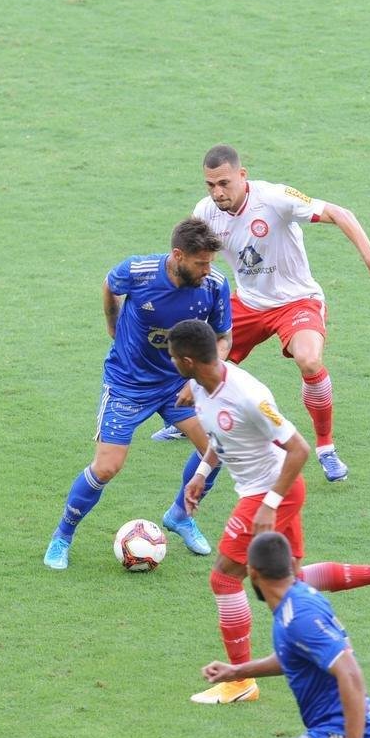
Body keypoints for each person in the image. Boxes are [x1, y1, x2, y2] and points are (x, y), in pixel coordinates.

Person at [167, 319, 370, 706]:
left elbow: (299, 450)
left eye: (173, 358)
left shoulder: (247, 395)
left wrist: (270, 504)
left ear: (188, 360)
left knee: (224, 579)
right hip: (266, 490)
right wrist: (202, 474)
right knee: (292, 581)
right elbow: (220, 435)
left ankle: (240, 683)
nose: (172, 364)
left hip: (273, 490)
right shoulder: (198, 386)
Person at [152, 145, 370, 484]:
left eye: (224, 183)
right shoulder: (205, 212)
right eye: (210, 185)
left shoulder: (274, 198)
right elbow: (190, 255)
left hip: (296, 301)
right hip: (249, 302)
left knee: (309, 360)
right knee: (199, 355)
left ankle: (326, 448)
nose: (217, 192)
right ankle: (187, 420)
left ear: (243, 176)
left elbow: (341, 213)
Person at [42, 218, 232, 570]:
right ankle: (62, 537)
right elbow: (109, 285)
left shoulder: (215, 285)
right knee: (107, 467)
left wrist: (199, 379)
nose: (209, 270)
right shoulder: (139, 271)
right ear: (178, 256)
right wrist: (112, 323)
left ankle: (180, 515)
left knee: (217, 449)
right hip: (128, 383)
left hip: (178, 384)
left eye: (210, 263)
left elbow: (223, 338)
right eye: (201, 263)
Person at [201, 532, 370, 738]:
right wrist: (237, 671)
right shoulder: (299, 599)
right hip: (367, 723)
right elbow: (296, 657)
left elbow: (350, 672)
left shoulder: (299, 617)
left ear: (252, 572)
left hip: (339, 732)